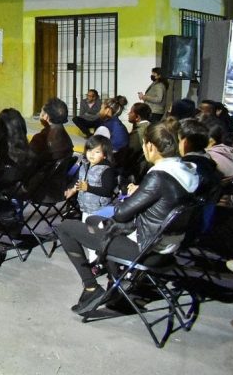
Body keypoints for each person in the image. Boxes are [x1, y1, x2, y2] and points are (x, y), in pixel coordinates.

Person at [56, 122, 199, 315]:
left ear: (150, 146)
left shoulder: (159, 175)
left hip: (146, 248)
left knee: (66, 227)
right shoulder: (188, 171)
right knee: (94, 222)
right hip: (169, 246)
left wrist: (134, 194)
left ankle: (91, 287)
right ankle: (117, 286)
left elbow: (122, 213)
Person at [63, 135, 118, 219]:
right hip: (86, 207)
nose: (91, 154)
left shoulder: (106, 170)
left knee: (94, 230)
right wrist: (73, 190)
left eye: (97, 152)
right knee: (86, 228)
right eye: (89, 150)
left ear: (105, 155)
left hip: (99, 210)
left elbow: (107, 191)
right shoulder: (85, 165)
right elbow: (80, 180)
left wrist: (88, 188)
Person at [29, 97, 73, 167]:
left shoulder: (40, 139)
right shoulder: (66, 138)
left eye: (41, 111)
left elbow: (27, 161)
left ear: (46, 116)